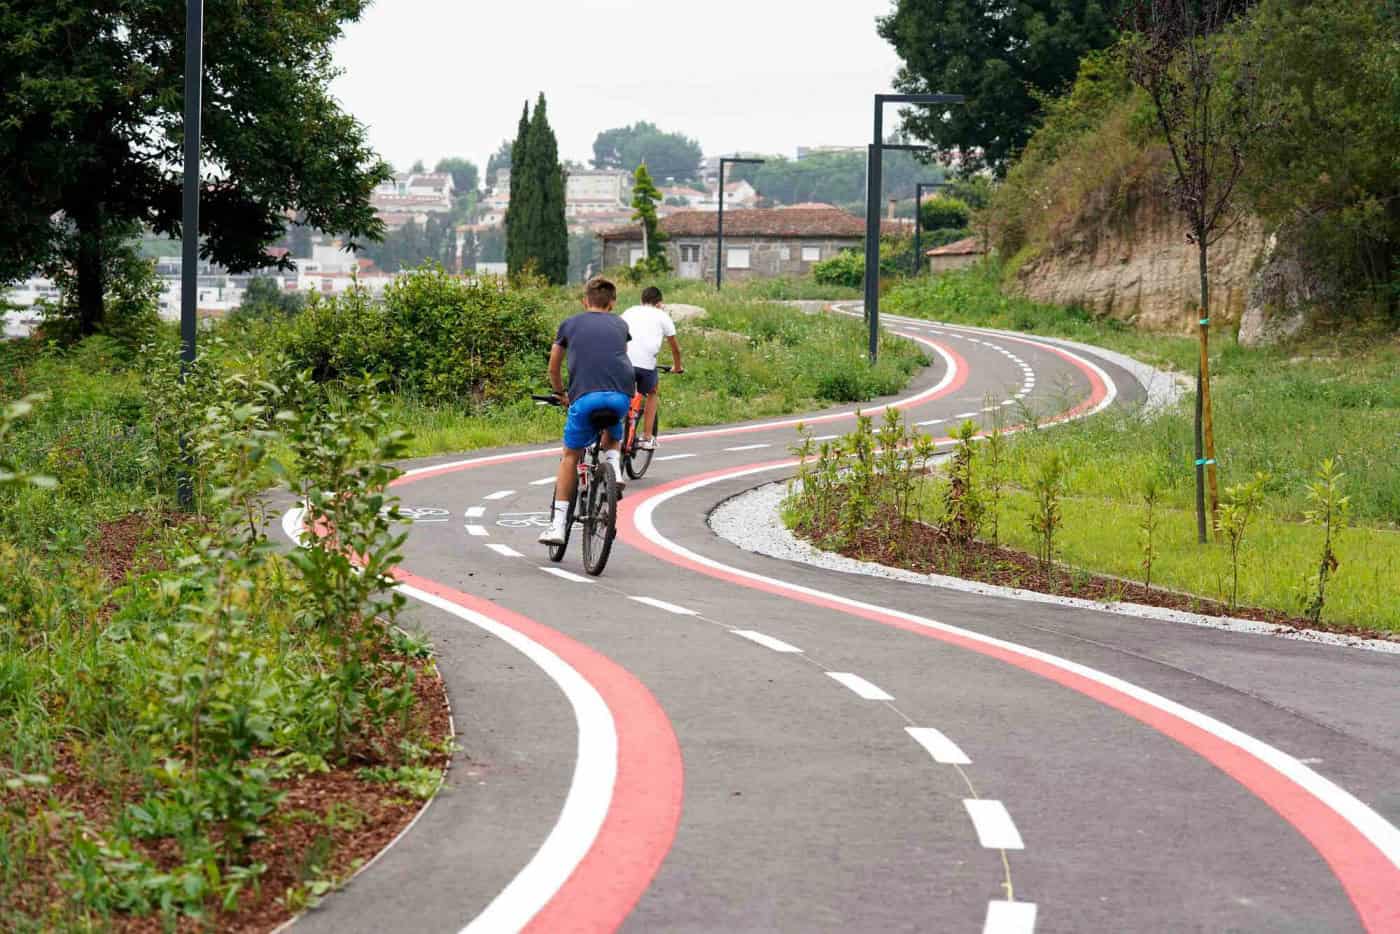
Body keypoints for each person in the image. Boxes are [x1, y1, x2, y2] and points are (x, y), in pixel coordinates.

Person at [538, 276, 635, 546]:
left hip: (584, 398)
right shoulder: (620, 324)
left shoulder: (570, 324)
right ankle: (614, 466)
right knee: (612, 434)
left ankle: (558, 525)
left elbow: (553, 366)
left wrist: (560, 393)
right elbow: (619, 356)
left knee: (570, 456)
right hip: (620, 395)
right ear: (612, 303)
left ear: (585, 301)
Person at [620, 285, 684, 450]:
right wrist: (677, 367)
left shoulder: (629, 311)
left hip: (622, 362)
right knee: (652, 391)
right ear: (659, 303)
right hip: (646, 366)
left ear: (641, 301)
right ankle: (647, 437)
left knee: (619, 391)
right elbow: (676, 349)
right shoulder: (662, 316)